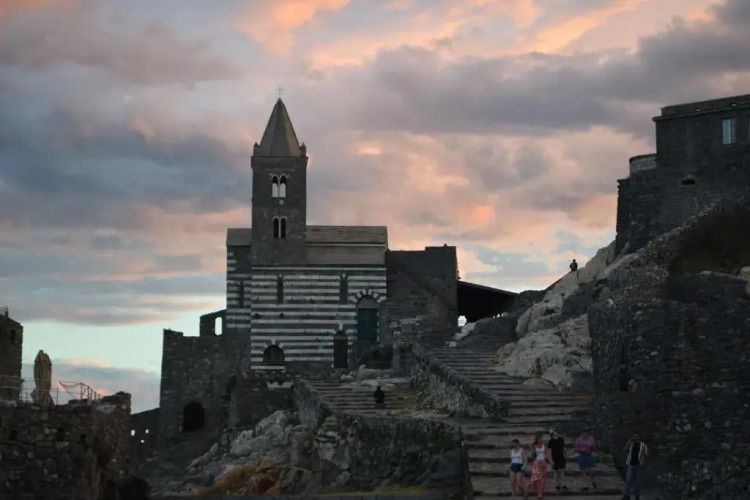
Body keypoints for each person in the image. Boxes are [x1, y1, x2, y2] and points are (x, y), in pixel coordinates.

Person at [623, 434, 649, 500]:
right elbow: (624, 449)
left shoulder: (643, 445)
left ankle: (637, 496)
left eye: (636, 436)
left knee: (638, 483)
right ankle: (627, 496)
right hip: (631, 464)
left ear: (639, 437)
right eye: (634, 437)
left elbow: (646, 454)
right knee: (628, 481)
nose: (635, 438)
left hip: (639, 465)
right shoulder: (631, 444)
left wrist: (645, 463)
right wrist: (628, 442)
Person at [526, 433, 551, 499]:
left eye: (541, 438)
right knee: (536, 477)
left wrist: (550, 462)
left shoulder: (544, 446)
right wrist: (532, 451)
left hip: (543, 463)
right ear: (537, 439)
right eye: (540, 438)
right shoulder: (534, 446)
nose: (541, 439)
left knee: (542, 479)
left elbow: (547, 455)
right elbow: (532, 456)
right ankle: (528, 490)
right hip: (537, 463)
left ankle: (539, 493)